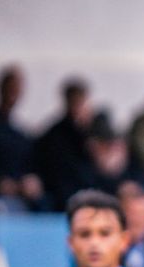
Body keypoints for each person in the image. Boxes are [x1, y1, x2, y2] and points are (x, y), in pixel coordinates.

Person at [32, 78, 96, 210]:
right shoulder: (54, 136)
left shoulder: (93, 133)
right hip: (62, 198)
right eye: (76, 102)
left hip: (84, 194)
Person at [0, 65, 43, 210]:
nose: (14, 93)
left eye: (17, 89)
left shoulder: (20, 133)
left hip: (18, 196)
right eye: (10, 88)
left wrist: (30, 182)